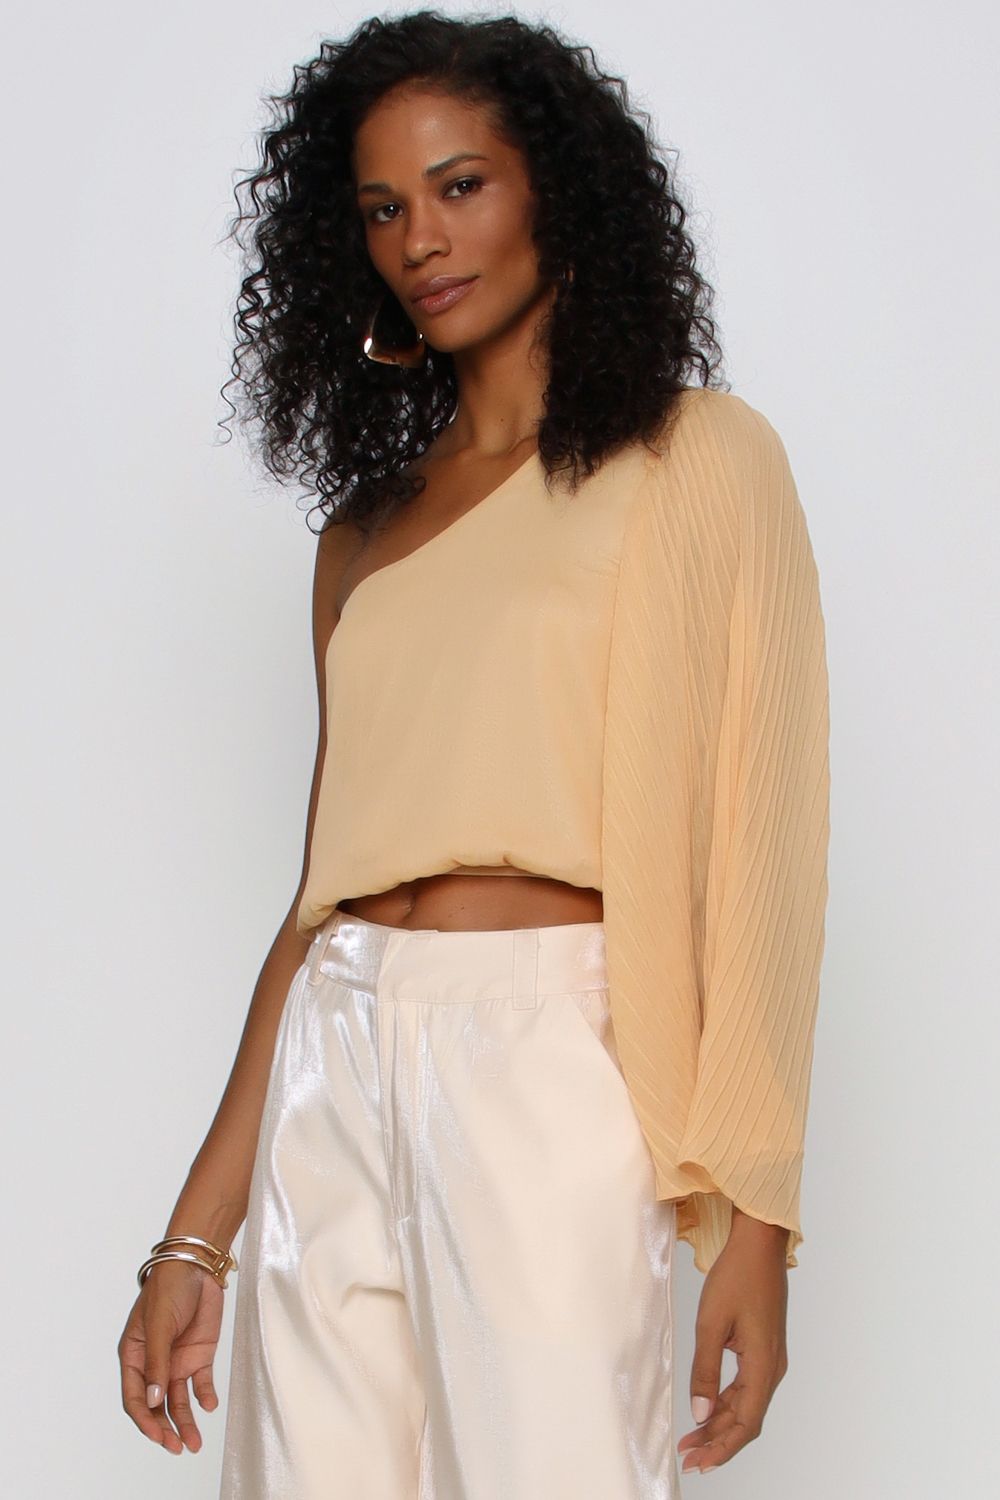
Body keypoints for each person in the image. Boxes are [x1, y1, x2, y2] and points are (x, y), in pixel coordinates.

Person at [117, 11, 830, 1498]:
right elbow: (317, 898)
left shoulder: (696, 458)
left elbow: (761, 851)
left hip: (550, 1053)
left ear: (555, 190)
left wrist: (756, 1222)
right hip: (335, 1049)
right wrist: (197, 1233)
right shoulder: (364, 532)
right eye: (383, 209)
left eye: (460, 186)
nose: (420, 241)